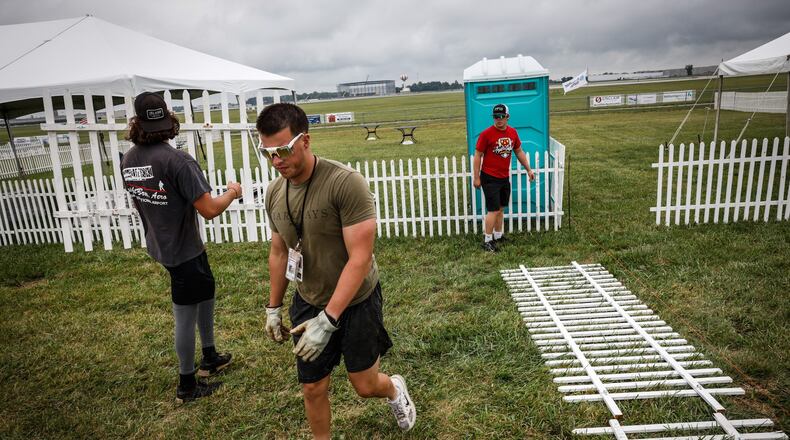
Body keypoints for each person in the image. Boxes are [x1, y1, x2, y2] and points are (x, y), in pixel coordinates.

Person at [259, 103, 415, 438]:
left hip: (356, 299)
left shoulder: (345, 183)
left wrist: (328, 321)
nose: (277, 161)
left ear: (306, 141)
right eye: (268, 153)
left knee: (364, 384)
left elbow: (360, 258)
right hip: (308, 297)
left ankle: (393, 390)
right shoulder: (274, 192)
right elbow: (278, 250)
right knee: (313, 388)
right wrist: (273, 307)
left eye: (283, 150)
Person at [121, 92, 240, 403]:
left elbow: (141, 203)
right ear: (169, 119)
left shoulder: (129, 159)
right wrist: (232, 192)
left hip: (162, 245)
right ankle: (187, 384)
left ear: (138, 124)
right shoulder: (178, 161)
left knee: (206, 289)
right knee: (184, 316)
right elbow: (210, 209)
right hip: (183, 249)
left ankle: (211, 356)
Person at [472, 103, 535, 253]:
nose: (498, 119)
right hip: (489, 177)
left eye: (501, 116)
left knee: (500, 209)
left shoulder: (513, 132)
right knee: (493, 210)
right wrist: (476, 177)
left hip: (504, 177)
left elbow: (519, 151)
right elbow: (477, 155)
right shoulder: (486, 134)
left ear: (507, 117)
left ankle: (498, 236)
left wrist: (529, 169)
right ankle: (487, 241)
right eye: (495, 116)